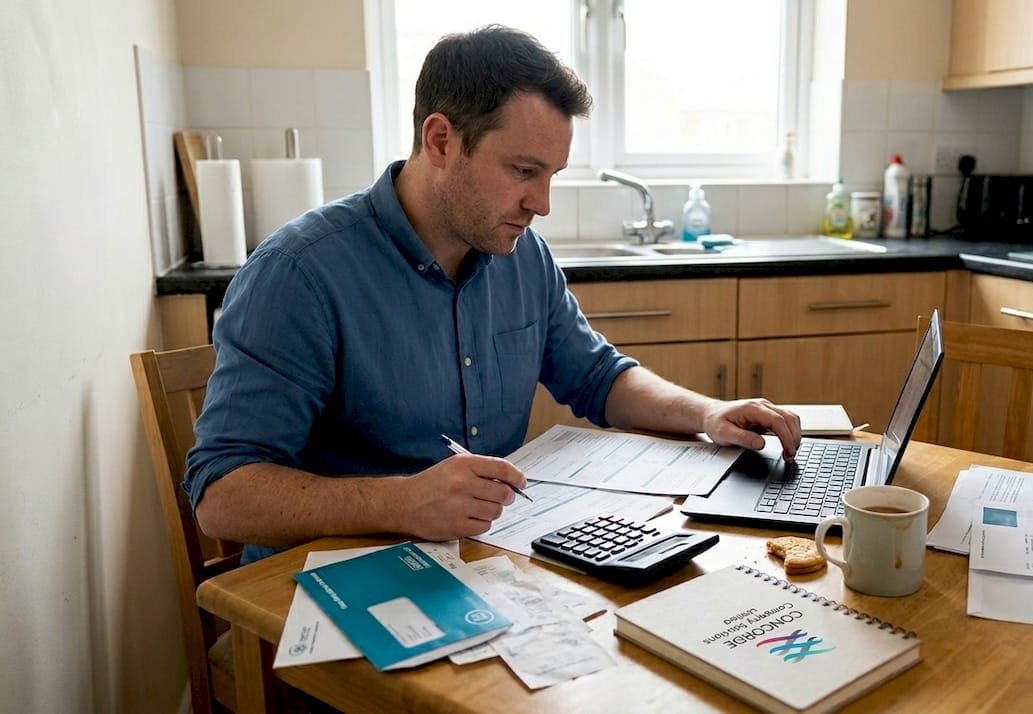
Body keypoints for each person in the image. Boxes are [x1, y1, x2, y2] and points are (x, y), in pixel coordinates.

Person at [184, 24, 801, 564]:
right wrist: (401, 502)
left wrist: (706, 413)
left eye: (552, 175)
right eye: (524, 171)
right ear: (440, 140)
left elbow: (597, 377)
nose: (543, 204)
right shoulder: (299, 274)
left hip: (485, 562)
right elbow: (221, 497)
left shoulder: (522, 255)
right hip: (332, 584)